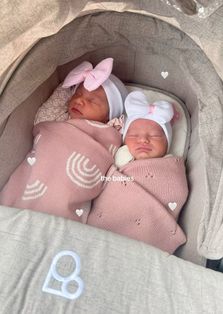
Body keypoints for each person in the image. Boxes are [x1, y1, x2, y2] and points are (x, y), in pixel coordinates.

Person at [0, 58, 127, 222]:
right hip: (38, 176)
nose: (80, 100)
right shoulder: (60, 118)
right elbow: (44, 115)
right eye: (78, 94)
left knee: (61, 204)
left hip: (73, 183)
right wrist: (70, 84)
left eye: (92, 100)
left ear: (110, 115)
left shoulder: (114, 130)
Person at [87, 91, 189, 254]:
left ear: (167, 143)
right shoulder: (118, 159)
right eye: (134, 135)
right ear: (124, 140)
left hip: (149, 234)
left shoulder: (171, 166)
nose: (143, 140)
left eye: (155, 135)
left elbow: (177, 191)